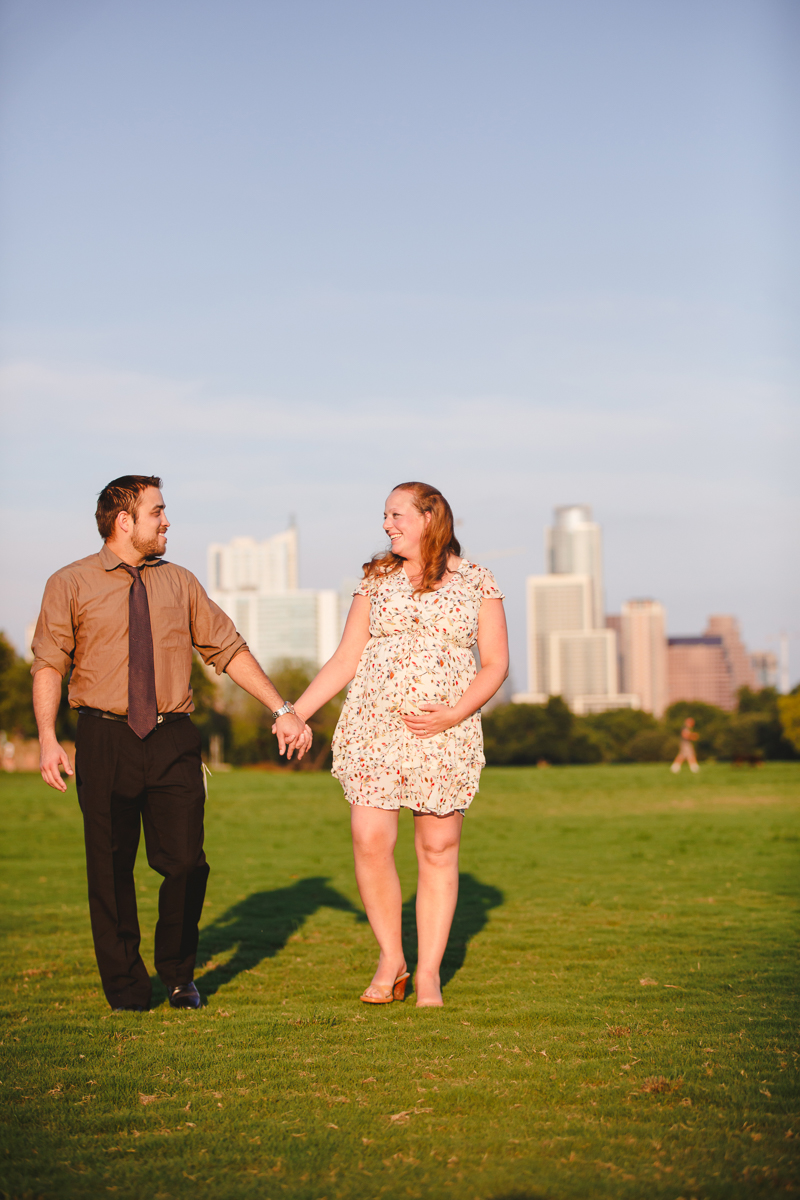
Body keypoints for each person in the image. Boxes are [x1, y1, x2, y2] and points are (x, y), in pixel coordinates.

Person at [31, 475, 310, 1012]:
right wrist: (48, 737)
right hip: (103, 736)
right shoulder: (69, 582)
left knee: (185, 862)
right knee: (110, 871)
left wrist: (283, 708)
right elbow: (49, 662)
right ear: (123, 521)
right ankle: (127, 990)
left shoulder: (179, 582)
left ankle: (179, 975)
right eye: (157, 512)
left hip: (172, 736)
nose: (166, 522)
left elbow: (228, 648)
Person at [291, 482, 508, 1007]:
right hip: (374, 726)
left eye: (396, 514)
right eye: (385, 516)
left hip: (445, 730)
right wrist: (296, 712)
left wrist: (454, 713)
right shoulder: (376, 581)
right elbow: (346, 659)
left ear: (430, 517)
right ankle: (392, 958)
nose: (387, 524)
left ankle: (429, 972)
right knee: (369, 838)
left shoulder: (477, 581)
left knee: (437, 848)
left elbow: (496, 664)